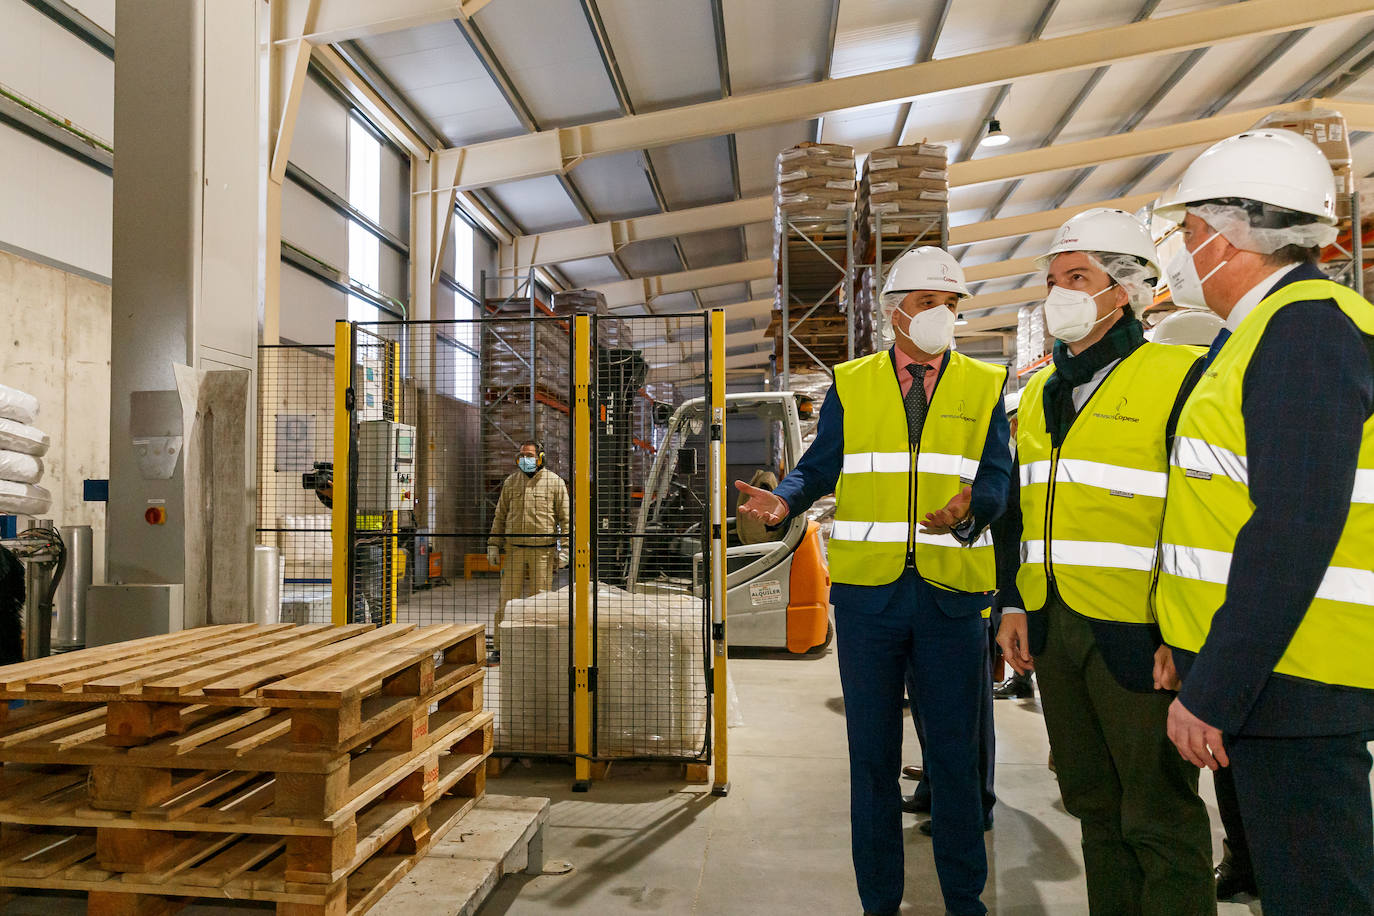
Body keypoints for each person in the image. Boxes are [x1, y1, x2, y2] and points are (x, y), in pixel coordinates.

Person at [737, 246, 1011, 916]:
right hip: (869, 605)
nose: (942, 316)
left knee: (955, 761)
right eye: (928, 304)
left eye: (952, 306)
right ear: (894, 313)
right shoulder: (852, 383)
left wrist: (972, 510)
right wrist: (786, 501)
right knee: (872, 764)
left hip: (951, 598)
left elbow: (1000, 481)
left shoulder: (982, 383)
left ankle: (965, 901)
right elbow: (820, 465)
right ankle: (879, 901)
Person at [1151, 127, 1374, 916]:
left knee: (1319, 895)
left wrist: (1217, 686)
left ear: (1222, 235)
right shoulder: (1265, 331)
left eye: (1184, 231)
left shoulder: (1306, 332)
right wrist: (1191, 648)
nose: (1180, 250)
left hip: (1299, 681)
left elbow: (1290, 530)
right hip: (1275, 673)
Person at [995, 207, 1214, 916]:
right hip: (1058, 633)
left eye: (1077, 277)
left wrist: (1187, 636)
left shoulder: (1181, 376)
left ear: (1123, 290)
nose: (1058, 291)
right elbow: (1026, 515)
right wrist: (1016, 603)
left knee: (1158, 817)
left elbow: (1207, 519)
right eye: (1053, 278)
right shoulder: (1039, 394)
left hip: (1142, 638)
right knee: (1093, 808)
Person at [487, 439, 570, 664]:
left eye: (530, 455)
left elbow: (566, 520)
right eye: (522, 455)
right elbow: (500, 516)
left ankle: (538, 648)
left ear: (540, 458)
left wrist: (566, 551)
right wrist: (493, 544)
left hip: (543, 553)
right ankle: (500, 648)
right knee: (506, 601)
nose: (525, 459)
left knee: (540, 602)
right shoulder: (512, 483)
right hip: (514, 550)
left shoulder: (555, 483)